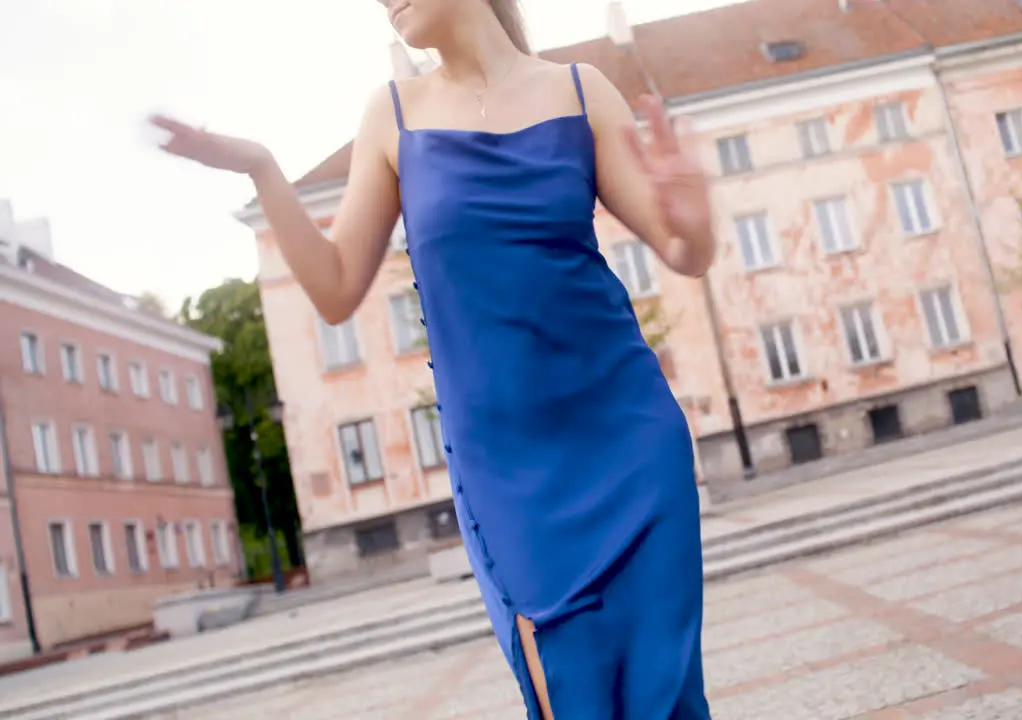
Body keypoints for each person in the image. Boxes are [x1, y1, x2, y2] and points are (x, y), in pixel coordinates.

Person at [149, 0, 715, 717]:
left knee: (664, 697)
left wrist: (696, 224)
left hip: (629, 439)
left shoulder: (580, 91)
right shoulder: (393, 115)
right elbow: (332, 288)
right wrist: (261, 168)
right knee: (572, 695)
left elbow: (682, 251)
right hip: (505, 468)